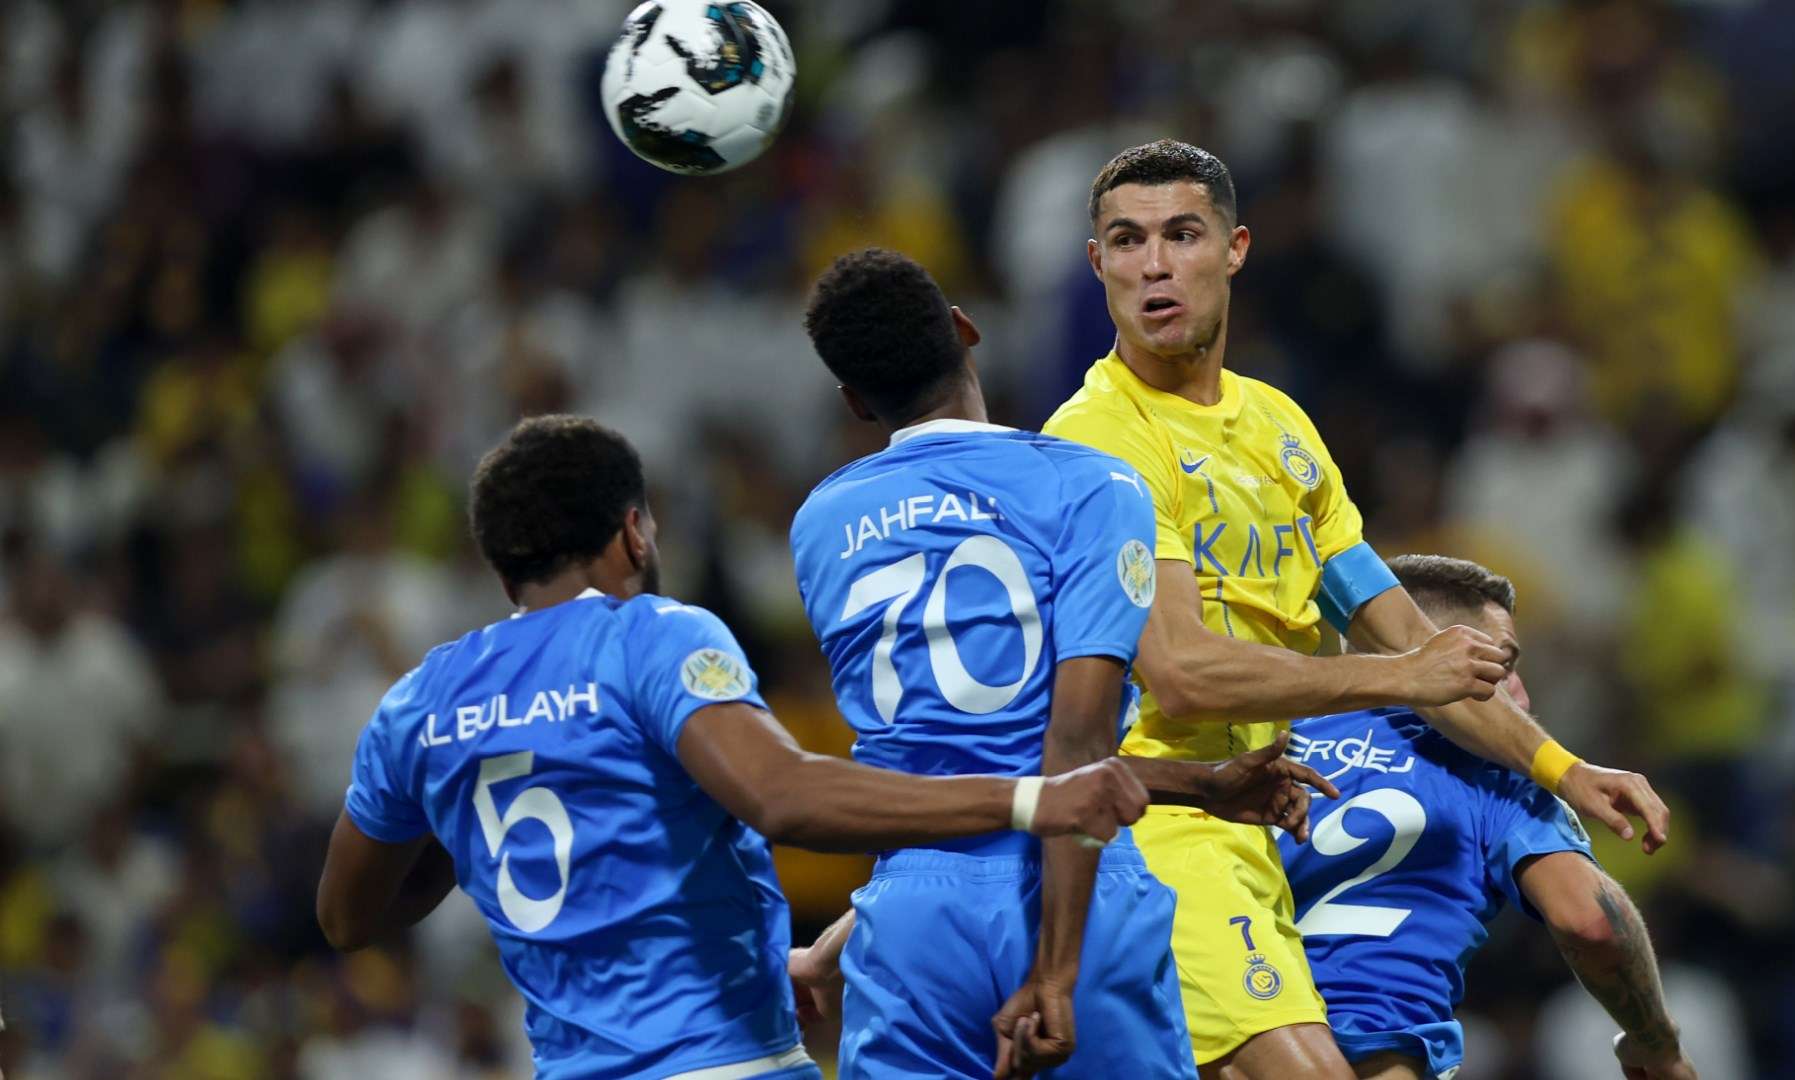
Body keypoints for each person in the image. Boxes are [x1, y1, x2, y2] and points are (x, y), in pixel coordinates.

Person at [1041, 139, 1671, 1079]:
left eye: (1182, 235)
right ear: (1098, 265)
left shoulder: (1281, 430)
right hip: (1153, 824)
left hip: (1256, 834)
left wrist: (1563, 768)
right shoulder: (1100, 439)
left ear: (1236, 248)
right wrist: (1396, 676)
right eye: (1127, 242)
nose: (1155, 265)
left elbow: (1420, 645)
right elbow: (1179, 668)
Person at [314, 414, 1160, 1080]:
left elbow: (347, 915)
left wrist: (474, 848)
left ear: (504, 574)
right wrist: (1028, 797)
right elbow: (785, 797)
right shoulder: (649, 638)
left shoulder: (420, 704)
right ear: (636, 532)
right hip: (728, 1061)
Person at [788, 248, 1334, 1079]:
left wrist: (1198, 784)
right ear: (966, 332)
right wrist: (1056, 968)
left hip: (909, 917)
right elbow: (1070, 743)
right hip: (1070, 891)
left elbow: (959, 754)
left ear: (854, 401)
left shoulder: (822, 523)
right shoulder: (1093, 485)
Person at [1281, 554, 1697, 1080]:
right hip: (1374, 1053)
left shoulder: (1266, 744)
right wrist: (1655, 1040)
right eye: (1504, 664)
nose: (1520, 692)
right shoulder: (1497, 777)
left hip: (1223, 1040)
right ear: (1447, 654)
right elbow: (1591, 925)